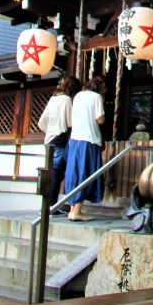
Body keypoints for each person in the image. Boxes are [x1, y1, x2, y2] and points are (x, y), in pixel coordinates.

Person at [64, 75, 106, 222]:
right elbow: (100, 119)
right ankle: (77, 210)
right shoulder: (96, 98)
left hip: (75, 138)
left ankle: (72, 208)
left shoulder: (78, 96)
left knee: (74, 172)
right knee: (85, 172)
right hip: (89, 139)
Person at [37, 75, 81, 215]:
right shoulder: (67, 100)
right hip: (60, 139)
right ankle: (52, 205)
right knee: (58, 174)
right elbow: (70, 122)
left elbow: (41, 121)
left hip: (49, 139)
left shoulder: (53, 99)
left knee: (52, 173)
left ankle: (49, 204)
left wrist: (50, 130)